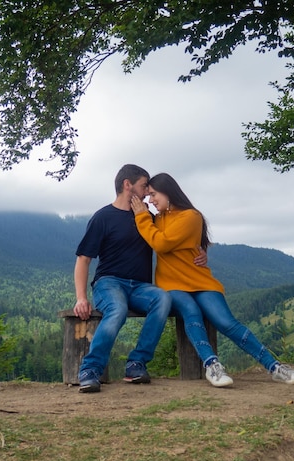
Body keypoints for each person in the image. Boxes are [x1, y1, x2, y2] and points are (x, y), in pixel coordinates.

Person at [130, 173, 294, 388]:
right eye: (148, 196)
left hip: (200, 281)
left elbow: (162, 244)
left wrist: (141, 217)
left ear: (169, 191)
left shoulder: (191, 216)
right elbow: (170, 244)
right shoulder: (157, 217)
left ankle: (274, 366)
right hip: (172, 285)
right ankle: (212, 365)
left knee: (226, 322)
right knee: (191, 312)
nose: (151, 200)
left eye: (154, 194)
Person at [73, 164, 206, 393]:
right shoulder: (103, 217)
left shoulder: (149, 218)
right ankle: (90, 369)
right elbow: (83, 260)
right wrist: (81, 298)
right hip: (109, 282)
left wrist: (201, 251)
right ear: (128, 185)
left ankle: (136, 364)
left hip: (141, 287)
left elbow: (175, 237)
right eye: (144, 186)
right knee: (117, 309)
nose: (147, 192)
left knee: (163, 299)